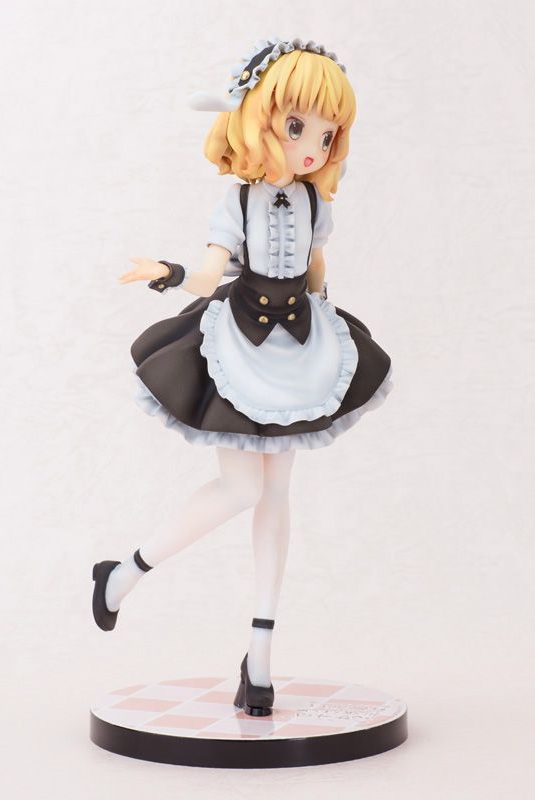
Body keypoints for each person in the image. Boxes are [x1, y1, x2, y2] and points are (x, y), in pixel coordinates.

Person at [92, 38, 393, 717]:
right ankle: (124, 573)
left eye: (326, 135)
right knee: (241, 488)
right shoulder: (239, 201)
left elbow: (314, 269)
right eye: (297, 126)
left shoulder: (316, 205)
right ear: (259, 120)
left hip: (299, 346)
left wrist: (328, 327)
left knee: (277, 493)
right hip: (241, 344)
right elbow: (211, 272)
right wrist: (169, 273)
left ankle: (259, 657)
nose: (311, 147)